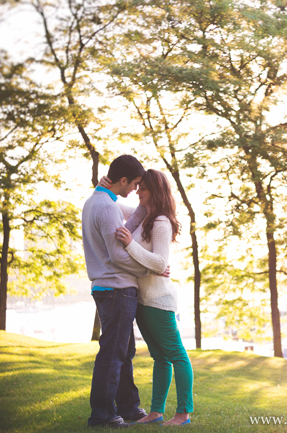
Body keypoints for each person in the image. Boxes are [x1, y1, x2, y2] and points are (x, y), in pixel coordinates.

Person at [99, 169, 194, 426]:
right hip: (143, 301)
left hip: (159, 301)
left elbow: (160, 262)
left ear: (155, 191)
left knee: (176, 355)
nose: (138, 191)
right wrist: (103, 188)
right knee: (160, 358)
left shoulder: (161, 222)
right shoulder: (145, 216)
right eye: (137, 187)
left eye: (143, 188)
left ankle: (183, 413)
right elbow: (113, 207)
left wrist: (130, 243)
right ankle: (155, 413)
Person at [82, 155, 168, 428]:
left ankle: (129, 407)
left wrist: (146, 201)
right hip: (116, 288)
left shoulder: (98, 201)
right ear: (122, 180)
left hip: (110, 288)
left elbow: (137, 215)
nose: (135, 190)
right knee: (113, 353)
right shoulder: (107, 208)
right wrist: (149, 270)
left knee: (124, 350)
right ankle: (103, 415)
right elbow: (118, 256)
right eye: (135, 184)